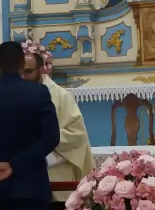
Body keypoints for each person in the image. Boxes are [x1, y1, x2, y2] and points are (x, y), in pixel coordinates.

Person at [0, 41, 60, 210]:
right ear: (21, 64)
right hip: (30, 188)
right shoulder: (38, 92)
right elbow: (51, 138)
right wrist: (14, 165)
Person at [21, 48, 95, 200]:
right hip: (24, 174)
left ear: (41, 70)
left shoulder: (61, 96)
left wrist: (41, 145)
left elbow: (76, 134)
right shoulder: (17, 94)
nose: (23, 77)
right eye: (20, 72)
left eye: (28, 72)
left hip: (55, 168)